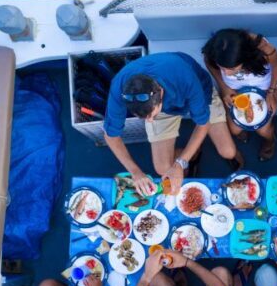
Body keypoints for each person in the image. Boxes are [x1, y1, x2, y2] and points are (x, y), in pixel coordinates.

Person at [103, 52, 244, 196]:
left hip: (199, 94)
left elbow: (203, 124)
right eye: (143, 118)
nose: (149, 121)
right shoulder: (119, 87)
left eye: (151, 116)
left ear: (161, 92)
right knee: (163, 169)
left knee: (228, 152)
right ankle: (193, 154)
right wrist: (135, 172)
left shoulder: (185, 77)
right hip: (163, 109)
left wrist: (180, 163)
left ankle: (222, 155)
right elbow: (111, 137)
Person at [202, 29, 277, 161]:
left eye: (232, 69)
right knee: (234, 129)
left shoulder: (262, 47)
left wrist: (271, 92)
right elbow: (208, 62)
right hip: (233, 88)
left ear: (245, 57)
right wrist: (224, 87)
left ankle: (270, 140)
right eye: (222, 68)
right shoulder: (214, 50)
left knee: (263, 129)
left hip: (265, 85)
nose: (227, 73)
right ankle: (243, 130)